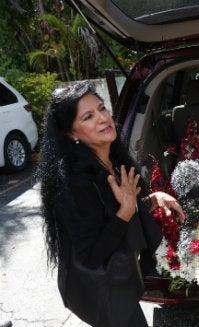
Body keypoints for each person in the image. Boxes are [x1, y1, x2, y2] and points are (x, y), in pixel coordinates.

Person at [37, 81, 185, 327]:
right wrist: (125, 212)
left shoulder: (113, 161)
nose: (103, 118)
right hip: (100, 292)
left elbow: (116, 213)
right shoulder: (73, 185)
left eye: (102, 109)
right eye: (88, 116)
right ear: (72, 134)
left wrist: (153, 199)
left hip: (121, 280)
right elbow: (91, 257)